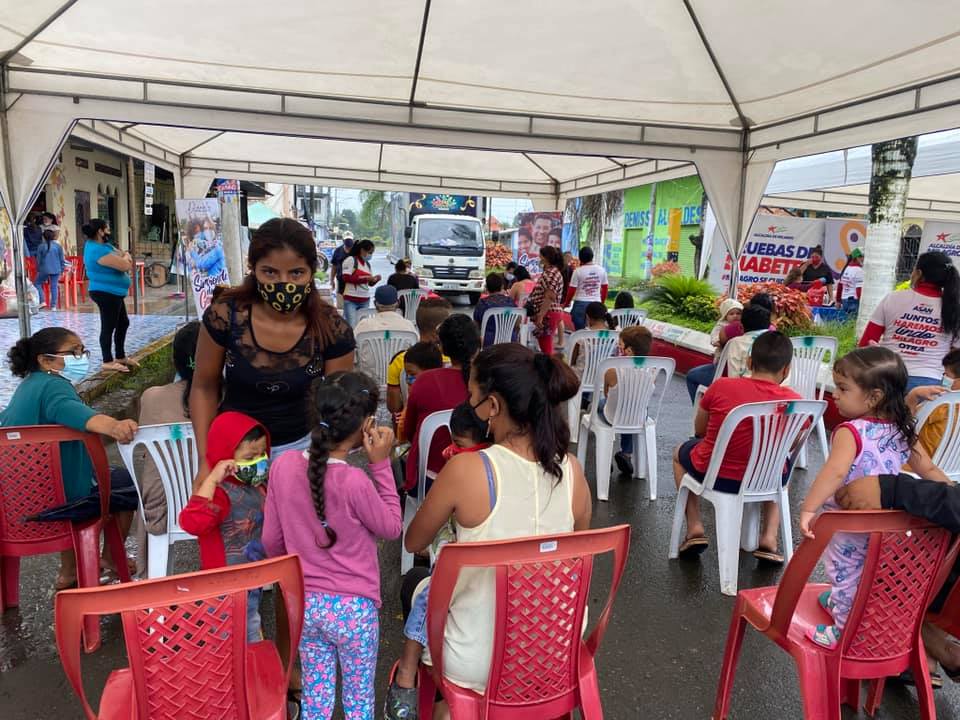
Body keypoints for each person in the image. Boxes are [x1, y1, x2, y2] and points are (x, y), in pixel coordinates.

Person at [394, 344, 592, 716]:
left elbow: (414, 540)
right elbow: (576, 549)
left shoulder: (468, 469)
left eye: (472, 397)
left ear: (494, 406)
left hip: (477, 661)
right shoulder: (572, 471)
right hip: (555, 652)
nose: (470, 405)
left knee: (415, 583)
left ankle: (444, 705)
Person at [263, 371, 401, 719]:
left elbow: (271, 542)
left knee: (317, 696)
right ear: (367, 424)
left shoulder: (282, 466)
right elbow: (391, 527)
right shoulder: (355, 481)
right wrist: (381, 464)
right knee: (358, 700)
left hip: (305, 604)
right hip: (354, 610)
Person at [798, 347, 950, 649]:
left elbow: (835, 473)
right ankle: (846, 608)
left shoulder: (851, 431)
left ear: (873, 397)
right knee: (871, 574)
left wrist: (808, 508)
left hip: (849, 524)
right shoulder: (901, 429)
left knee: (845, 573)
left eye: (843, 388)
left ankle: (844, 632)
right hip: (889, 525)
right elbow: (929, 469)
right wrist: (950, 488)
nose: (835, 394)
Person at [191, 218, 355, 475]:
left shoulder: (332, 329)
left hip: (301, 452)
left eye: (296, 273)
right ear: (253, 269)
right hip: (232, 450)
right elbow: (204, 387)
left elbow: (336, 406)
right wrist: (205, 460)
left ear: (312, 272)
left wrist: (326, 463)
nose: (283, 283)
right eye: (270, 272)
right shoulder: (224, 316)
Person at [2, 327, 139, 589]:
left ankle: (70, 570)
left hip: (15, 501)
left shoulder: (27, 387)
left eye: (83, 351)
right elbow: (78, 414)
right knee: (126, 483)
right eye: (74, 352)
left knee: (77, 480)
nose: (81, 357)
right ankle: (109, 557)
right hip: (59, 502)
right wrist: (115, 426)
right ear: (46, 360)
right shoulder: (54, 387)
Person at [383, 400, 491, 719]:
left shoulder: (462, 472)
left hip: (464, 585)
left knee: (426, 591)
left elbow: (414, 541)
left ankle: (408, 669)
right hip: (525, 623)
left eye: (459, 445)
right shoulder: (555, 473)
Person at [673, 331, 800, 561]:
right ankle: (769, 537)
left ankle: (694, 527)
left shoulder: (721, 387)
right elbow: (791, 444)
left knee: (678, 453)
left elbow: (700, 430)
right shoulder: (795, 403)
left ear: (749, 362)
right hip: (768, 480)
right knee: (781, 463)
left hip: (717, 477)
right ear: (786, 370)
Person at [179, 411, 271, 642]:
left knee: (249, 621)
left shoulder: (256, 485)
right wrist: (211, 480)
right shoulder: (218, 493)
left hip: (251, 577)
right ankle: (243, 660)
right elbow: (192, 523)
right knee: (230, 635)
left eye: (262, 454)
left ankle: (247, 655)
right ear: (225, 456)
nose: (258, 461)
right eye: (250, 457)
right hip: (223, 586)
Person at [134, 321, 200, 573]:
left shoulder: (152, 397)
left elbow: (144, 454)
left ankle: (153, 575)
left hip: (162, 504)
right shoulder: (231, 398)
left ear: (175, 361)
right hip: (215, 500)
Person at [859, 251, 960, 392]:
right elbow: (955, 355)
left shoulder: (893, 298)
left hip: (888, 377)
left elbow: (865, 343)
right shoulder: (954, 308)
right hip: (930, 387)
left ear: (918, 273)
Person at [401, 314, 480, 493]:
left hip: (427, 480)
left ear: (442, 348)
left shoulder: (425, 380)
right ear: (479, 344)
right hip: (476, 480)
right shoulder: (488, 384)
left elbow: (409, 432)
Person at [82, 220, 135, 374]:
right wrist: (126, 256)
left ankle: (120, 356)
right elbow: (125, 265)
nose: (109, 231)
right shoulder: (96, 250)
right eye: (107, 229)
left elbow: (122, 254)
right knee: (108, 326)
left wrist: (125, 256)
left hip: (114, 293)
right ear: (100, 231)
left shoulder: (105, 246)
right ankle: (107, 361)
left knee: (123, 323)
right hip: (105, 293)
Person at [386, 297, 452, 416]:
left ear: (418, 325)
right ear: (440, 330)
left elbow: (394, 407)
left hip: (411, 421)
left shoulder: (399, 360)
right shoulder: (454, 360)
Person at [602, 325, 654, 476]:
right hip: (638, 415)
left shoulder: (612, 370)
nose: (618, 348)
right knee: (630, 411)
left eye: (620, 345)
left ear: (629, 350)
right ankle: (626, 453)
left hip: (613, 415)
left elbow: (606, 394)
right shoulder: (653, 370)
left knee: (599, 406)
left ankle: (605, 456)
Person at [685, 298, 743, 403]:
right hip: (722, 361)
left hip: (726, 370)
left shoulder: (740, 327)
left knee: (692, 376)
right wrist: (719, 341)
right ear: (725, 315)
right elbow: (714, 338)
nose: (735, 316)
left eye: (738, 313)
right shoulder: (721, 326)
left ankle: (700, 408)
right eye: (731, 314)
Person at [909, 349, 960, 467]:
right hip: (954, 471)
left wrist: (913, 395)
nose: (943, 378)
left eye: (946, 375)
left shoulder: (940, 405)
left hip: (919, 466)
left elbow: (903, 428)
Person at [529, 245, 565, 355]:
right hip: (549, 313)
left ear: (546, 257)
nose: (539, 258)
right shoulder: (552, 272)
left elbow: (550, 296)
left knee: (546, 348)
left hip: (548, 314)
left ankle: (551, 365)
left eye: (540, 255)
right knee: (545, 345)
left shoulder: (550, 273)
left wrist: (540, 316)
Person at [722, 304, 771, 381]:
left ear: (741, 326)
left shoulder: (736, 343)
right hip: (774, 387)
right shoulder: (779, 342)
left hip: (744, 386)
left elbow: (733, 376)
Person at [565, 246, 609, 330]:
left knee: (580, 332)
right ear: (592, 256)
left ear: (580, 258)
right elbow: (605, 288)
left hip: (580, 304)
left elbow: (571, 290)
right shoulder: (601, 270)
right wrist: (602, 302)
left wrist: (567, 303)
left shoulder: (577, 271)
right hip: (596, 304)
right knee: (595, 330)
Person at [569, 301, 617, 378]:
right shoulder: (615, 335)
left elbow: (572, 361)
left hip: (580, 377)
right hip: (603, 378)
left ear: (587, 317)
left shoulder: (581, 335)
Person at [341, 239, 380, 327]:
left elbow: (369, 284)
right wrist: (366, 279)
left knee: (363, 326)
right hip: (351, 299)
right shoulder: (351, 260)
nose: (371, 255)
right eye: (370, 252)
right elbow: (345, 278)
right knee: (352, 325)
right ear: (362, 250)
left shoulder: (367, 264)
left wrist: (375, 280)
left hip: (365, 300)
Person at [473, 272, 518, 346]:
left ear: (486, 287)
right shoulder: (510, 302)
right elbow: (517, 322)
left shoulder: (482, 303)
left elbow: (476, 325)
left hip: (488, 343)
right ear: (502, 286)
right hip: (510, 341)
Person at [34, 227, 68, 310]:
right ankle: (53, 306)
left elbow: (38, 260)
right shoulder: (58, 246)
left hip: (44, 269)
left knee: (37, 284)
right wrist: (62, 269)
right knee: (54, 286)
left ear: (44, 237)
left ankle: (42, 301)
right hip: (56, 269)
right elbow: (62, 260)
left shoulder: (41, 246)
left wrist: (38, 269)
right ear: (53, 237)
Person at [835, 248, 864, 315]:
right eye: (862, 257)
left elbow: (840, 286)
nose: (863, 259)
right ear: (857, 258)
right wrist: (863, 304)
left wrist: (838, 301)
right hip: (853, 301)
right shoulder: (858, 270)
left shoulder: (846, 268)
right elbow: (859, 290)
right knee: (854, 321)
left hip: (844, 300)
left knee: (849, 320)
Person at [330, 232, 354, 307]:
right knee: (341, 305)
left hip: (353, 282)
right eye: (347, 240)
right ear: (343, 240)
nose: (348, 242)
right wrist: (332, 280)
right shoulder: (338, 251)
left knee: (351, 304)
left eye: (350, 240)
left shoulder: (356, 251)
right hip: (341, 281)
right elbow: (334, 267)